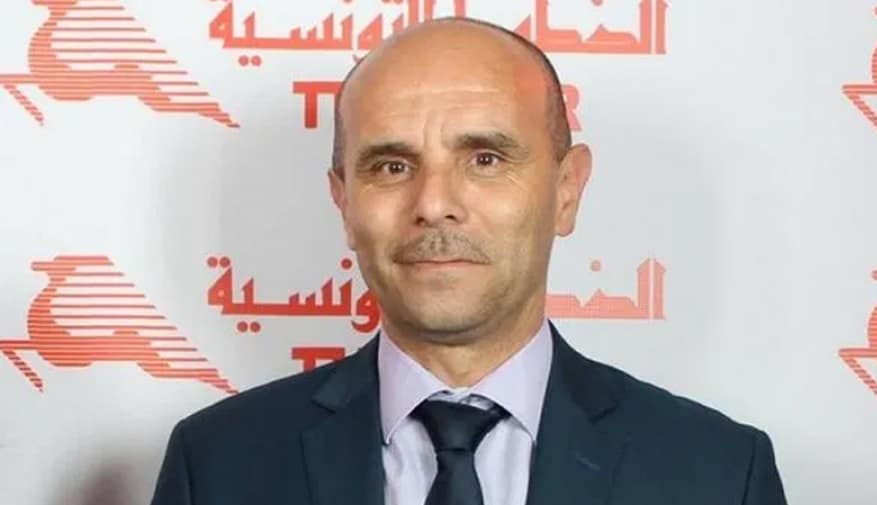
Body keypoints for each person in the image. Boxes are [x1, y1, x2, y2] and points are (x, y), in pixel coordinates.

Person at [150, 17, 787, 505]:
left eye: (485, 159)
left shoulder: (718, 473)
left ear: (567, 191)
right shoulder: (217, 465)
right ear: (344, 203)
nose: (434, 205)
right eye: (391, 166)